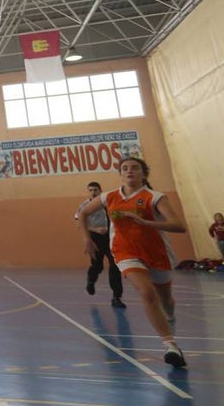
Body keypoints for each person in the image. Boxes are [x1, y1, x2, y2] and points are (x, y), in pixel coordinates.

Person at [77, 157, 189, 367]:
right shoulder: (108, 197)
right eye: (125, 168)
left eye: (135, 168)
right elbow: (82, 213)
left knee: (167, 300)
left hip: (156, 252)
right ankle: (170, 345)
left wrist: (146, 222)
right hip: (125, 251)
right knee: (147, 293)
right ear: (120, 173)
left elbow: (178, 225)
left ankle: (170, 318)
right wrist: (87, 238)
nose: (130, 171)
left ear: (143, 174)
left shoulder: (154, 197)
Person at [74, 181, 125, 308]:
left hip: (111, 238)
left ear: (100, 190)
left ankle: (116, 297)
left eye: (95, 189)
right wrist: (96, 230)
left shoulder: (109, 203)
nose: (93, 192)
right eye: (90, 190)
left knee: (115, 266)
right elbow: (79, 224)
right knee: (97, 266)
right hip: (95, 239)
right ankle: (91, 281)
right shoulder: (84, 206)